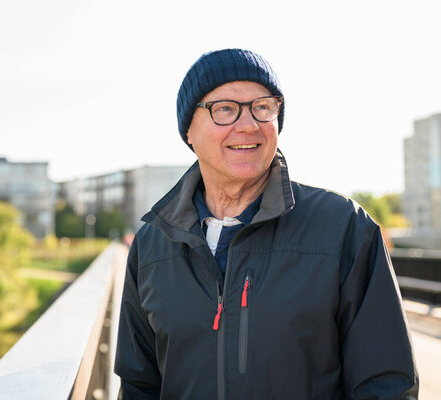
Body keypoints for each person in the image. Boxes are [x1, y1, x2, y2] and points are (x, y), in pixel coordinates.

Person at [114, 48, 418, 399]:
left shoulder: (344, 228)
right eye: (224, 109)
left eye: (262, 107)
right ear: (189, 133)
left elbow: (387, 386)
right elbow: (139, 386)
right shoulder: (152, 244)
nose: (248, 125)